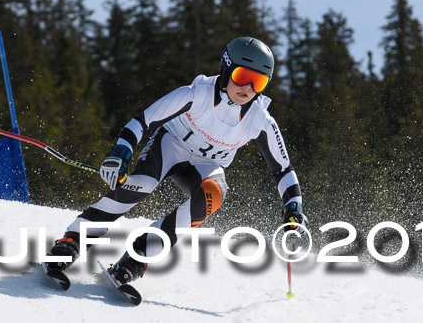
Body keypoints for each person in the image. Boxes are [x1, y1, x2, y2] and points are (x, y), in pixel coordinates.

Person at [48, 36, 307, 285]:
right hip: (170, 146)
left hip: (205, 166)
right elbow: (143, 120)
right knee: (140, 185)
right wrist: (120, 153)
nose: (248, 89)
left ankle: (138, 256)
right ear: (226, 69)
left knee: (213, 195)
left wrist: (293, 210)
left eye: (258, 82)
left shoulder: (260, 120)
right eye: (242, 78)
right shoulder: (198, 93)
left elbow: (283, 170)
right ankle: (73, 240)